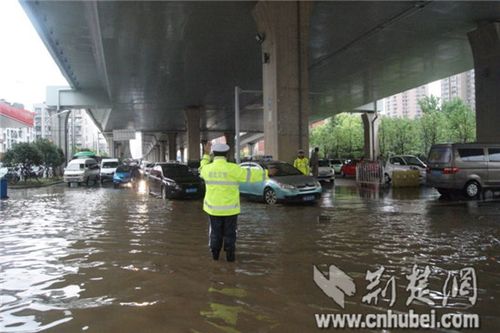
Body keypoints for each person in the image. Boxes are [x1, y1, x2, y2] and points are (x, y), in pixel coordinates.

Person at [199, 142, 267, 262]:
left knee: (215, 233)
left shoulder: (207, 169)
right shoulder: (234, 169)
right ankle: (230, 257)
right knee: (230, 233)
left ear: (214, 154)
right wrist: (267, 173)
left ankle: (215, 258)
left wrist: (205, 154)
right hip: (231, 210)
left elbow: (202, 167)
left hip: (213, 210)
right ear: (227, 154)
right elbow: (251, 176)